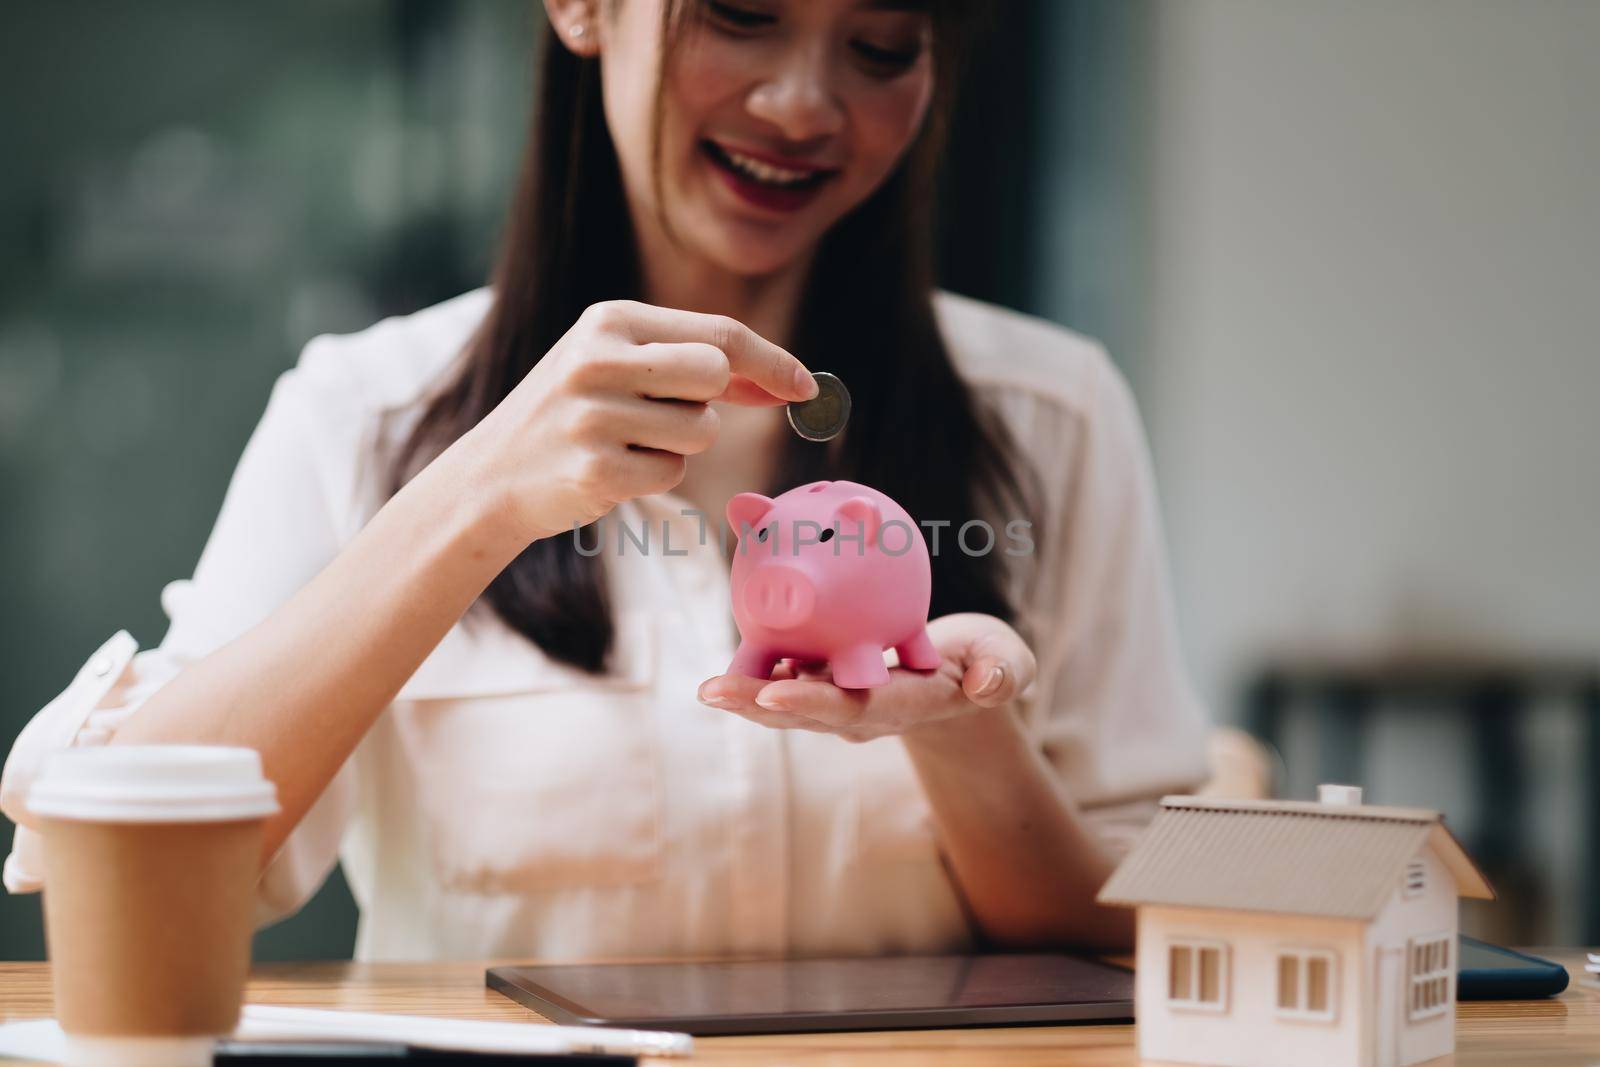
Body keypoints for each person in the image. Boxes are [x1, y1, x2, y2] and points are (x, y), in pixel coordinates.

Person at [1, 0, 1208, 961]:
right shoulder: (362, 415)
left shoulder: (1050, 413)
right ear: (581, 7)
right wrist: (476, 498)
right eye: (739, 16)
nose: (803, 103)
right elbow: (117, 854)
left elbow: (1143, 923)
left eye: (881, 45)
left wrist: (962, 727)